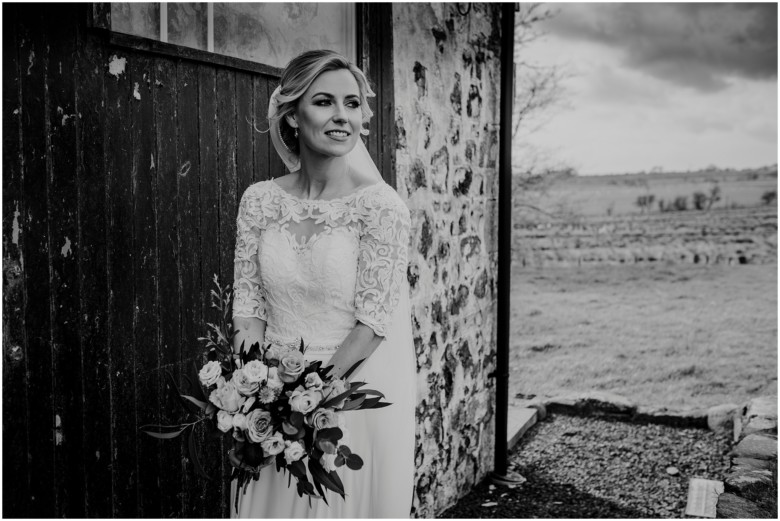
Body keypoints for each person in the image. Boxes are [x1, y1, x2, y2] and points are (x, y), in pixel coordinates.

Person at [230, 50, 416, 518]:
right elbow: (249, 305)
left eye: (352, 104)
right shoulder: (259, 201)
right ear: (292, 114)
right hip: (268, 401)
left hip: (347, 395)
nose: (341, 116)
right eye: (324, 102)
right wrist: (254, 390)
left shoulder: (380, 206)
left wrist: (308, 400)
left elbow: (373, 322)